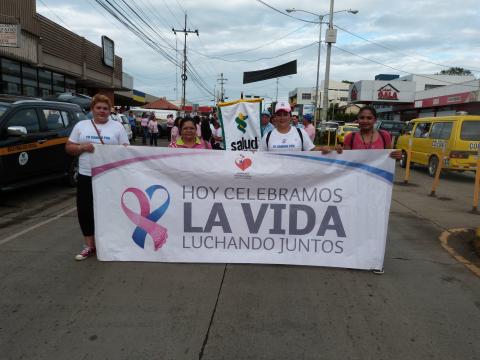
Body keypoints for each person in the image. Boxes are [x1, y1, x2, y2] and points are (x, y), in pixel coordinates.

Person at [65, 94, 129, 261]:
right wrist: (82, 147)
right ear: (92, 109)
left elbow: (126, 150)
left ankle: (109, 243)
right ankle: (89, 245)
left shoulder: (117, 127)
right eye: (98, 108)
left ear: (110, 111)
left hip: (109, 176)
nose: (102, 111)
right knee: (85, 211)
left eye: (105, 108)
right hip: (86, 175)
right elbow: (69, 147)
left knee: (110, 210)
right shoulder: (81, 126)